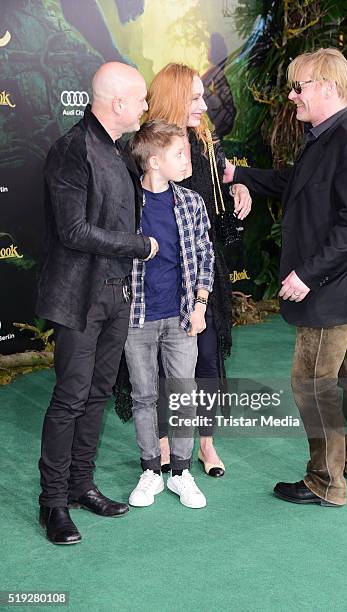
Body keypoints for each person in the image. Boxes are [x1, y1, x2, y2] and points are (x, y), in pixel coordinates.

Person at [224, 48, 347, 507]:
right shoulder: (329, 135)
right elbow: (300, 182)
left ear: (328, 88)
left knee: (311, 381)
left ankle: (325, 481)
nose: (293, 96)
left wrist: (308, 275)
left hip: (334, 286)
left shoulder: (346, 142)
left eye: (300, 86)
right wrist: (243, 174)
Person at [36, 62, 158, 545]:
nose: (146, 107)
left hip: (116, 295)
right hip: (80, 297)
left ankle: (81, 485)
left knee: (97, 395)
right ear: (119, 103)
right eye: (142, 99)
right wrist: (139, 245)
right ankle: (52, 504)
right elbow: (73, 232)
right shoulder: (71, 150)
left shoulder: (118, 150)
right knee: (69, 398)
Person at [114, 63, 251, 476]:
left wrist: (235, 189)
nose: (204, 104)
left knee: (205, 361)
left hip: (201, 280)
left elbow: (218, 226)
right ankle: (159, 450)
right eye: (194, 97)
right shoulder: (136, 151)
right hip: (151, 286)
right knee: (154, 370)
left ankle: (203, 445)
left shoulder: (207, 146)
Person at [125, 119, 214, 509]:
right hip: (137, 318)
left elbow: (206, 257)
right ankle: (150, 469)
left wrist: (200, 305)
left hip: (182, 317)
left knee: (183, 394)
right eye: (179, 154)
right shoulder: (128, 205)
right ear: (154, 162)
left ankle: (180, 472)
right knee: (143, 396)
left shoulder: (191, 203)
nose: (187, 159)